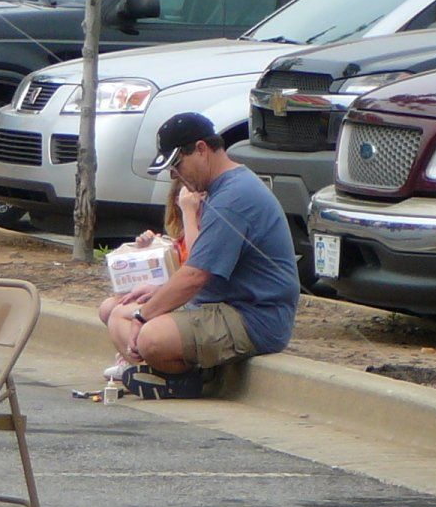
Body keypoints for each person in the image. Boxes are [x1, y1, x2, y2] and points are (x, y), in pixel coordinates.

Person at [107, 112, 299, 395]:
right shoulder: (223, 189)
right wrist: (157, 295)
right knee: (116, 314)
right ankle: (165, 368)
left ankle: (190, 379)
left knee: (150, 336)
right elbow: (196, 269)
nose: (175, 175)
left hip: (253, 316)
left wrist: (145, 316)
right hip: (220, 305)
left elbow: (195, 276)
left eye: (177, 164)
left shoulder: (234, 197)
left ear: (200, 149)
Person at [97, 181, 202, 381]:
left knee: (119, 314)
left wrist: (190, 213)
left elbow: (197, 264)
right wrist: (146, 252)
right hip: (167, 292)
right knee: (108, 307)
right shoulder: (176, 240)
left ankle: (140, 365)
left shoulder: (199, 232)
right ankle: (128, 357)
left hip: (185, 300)